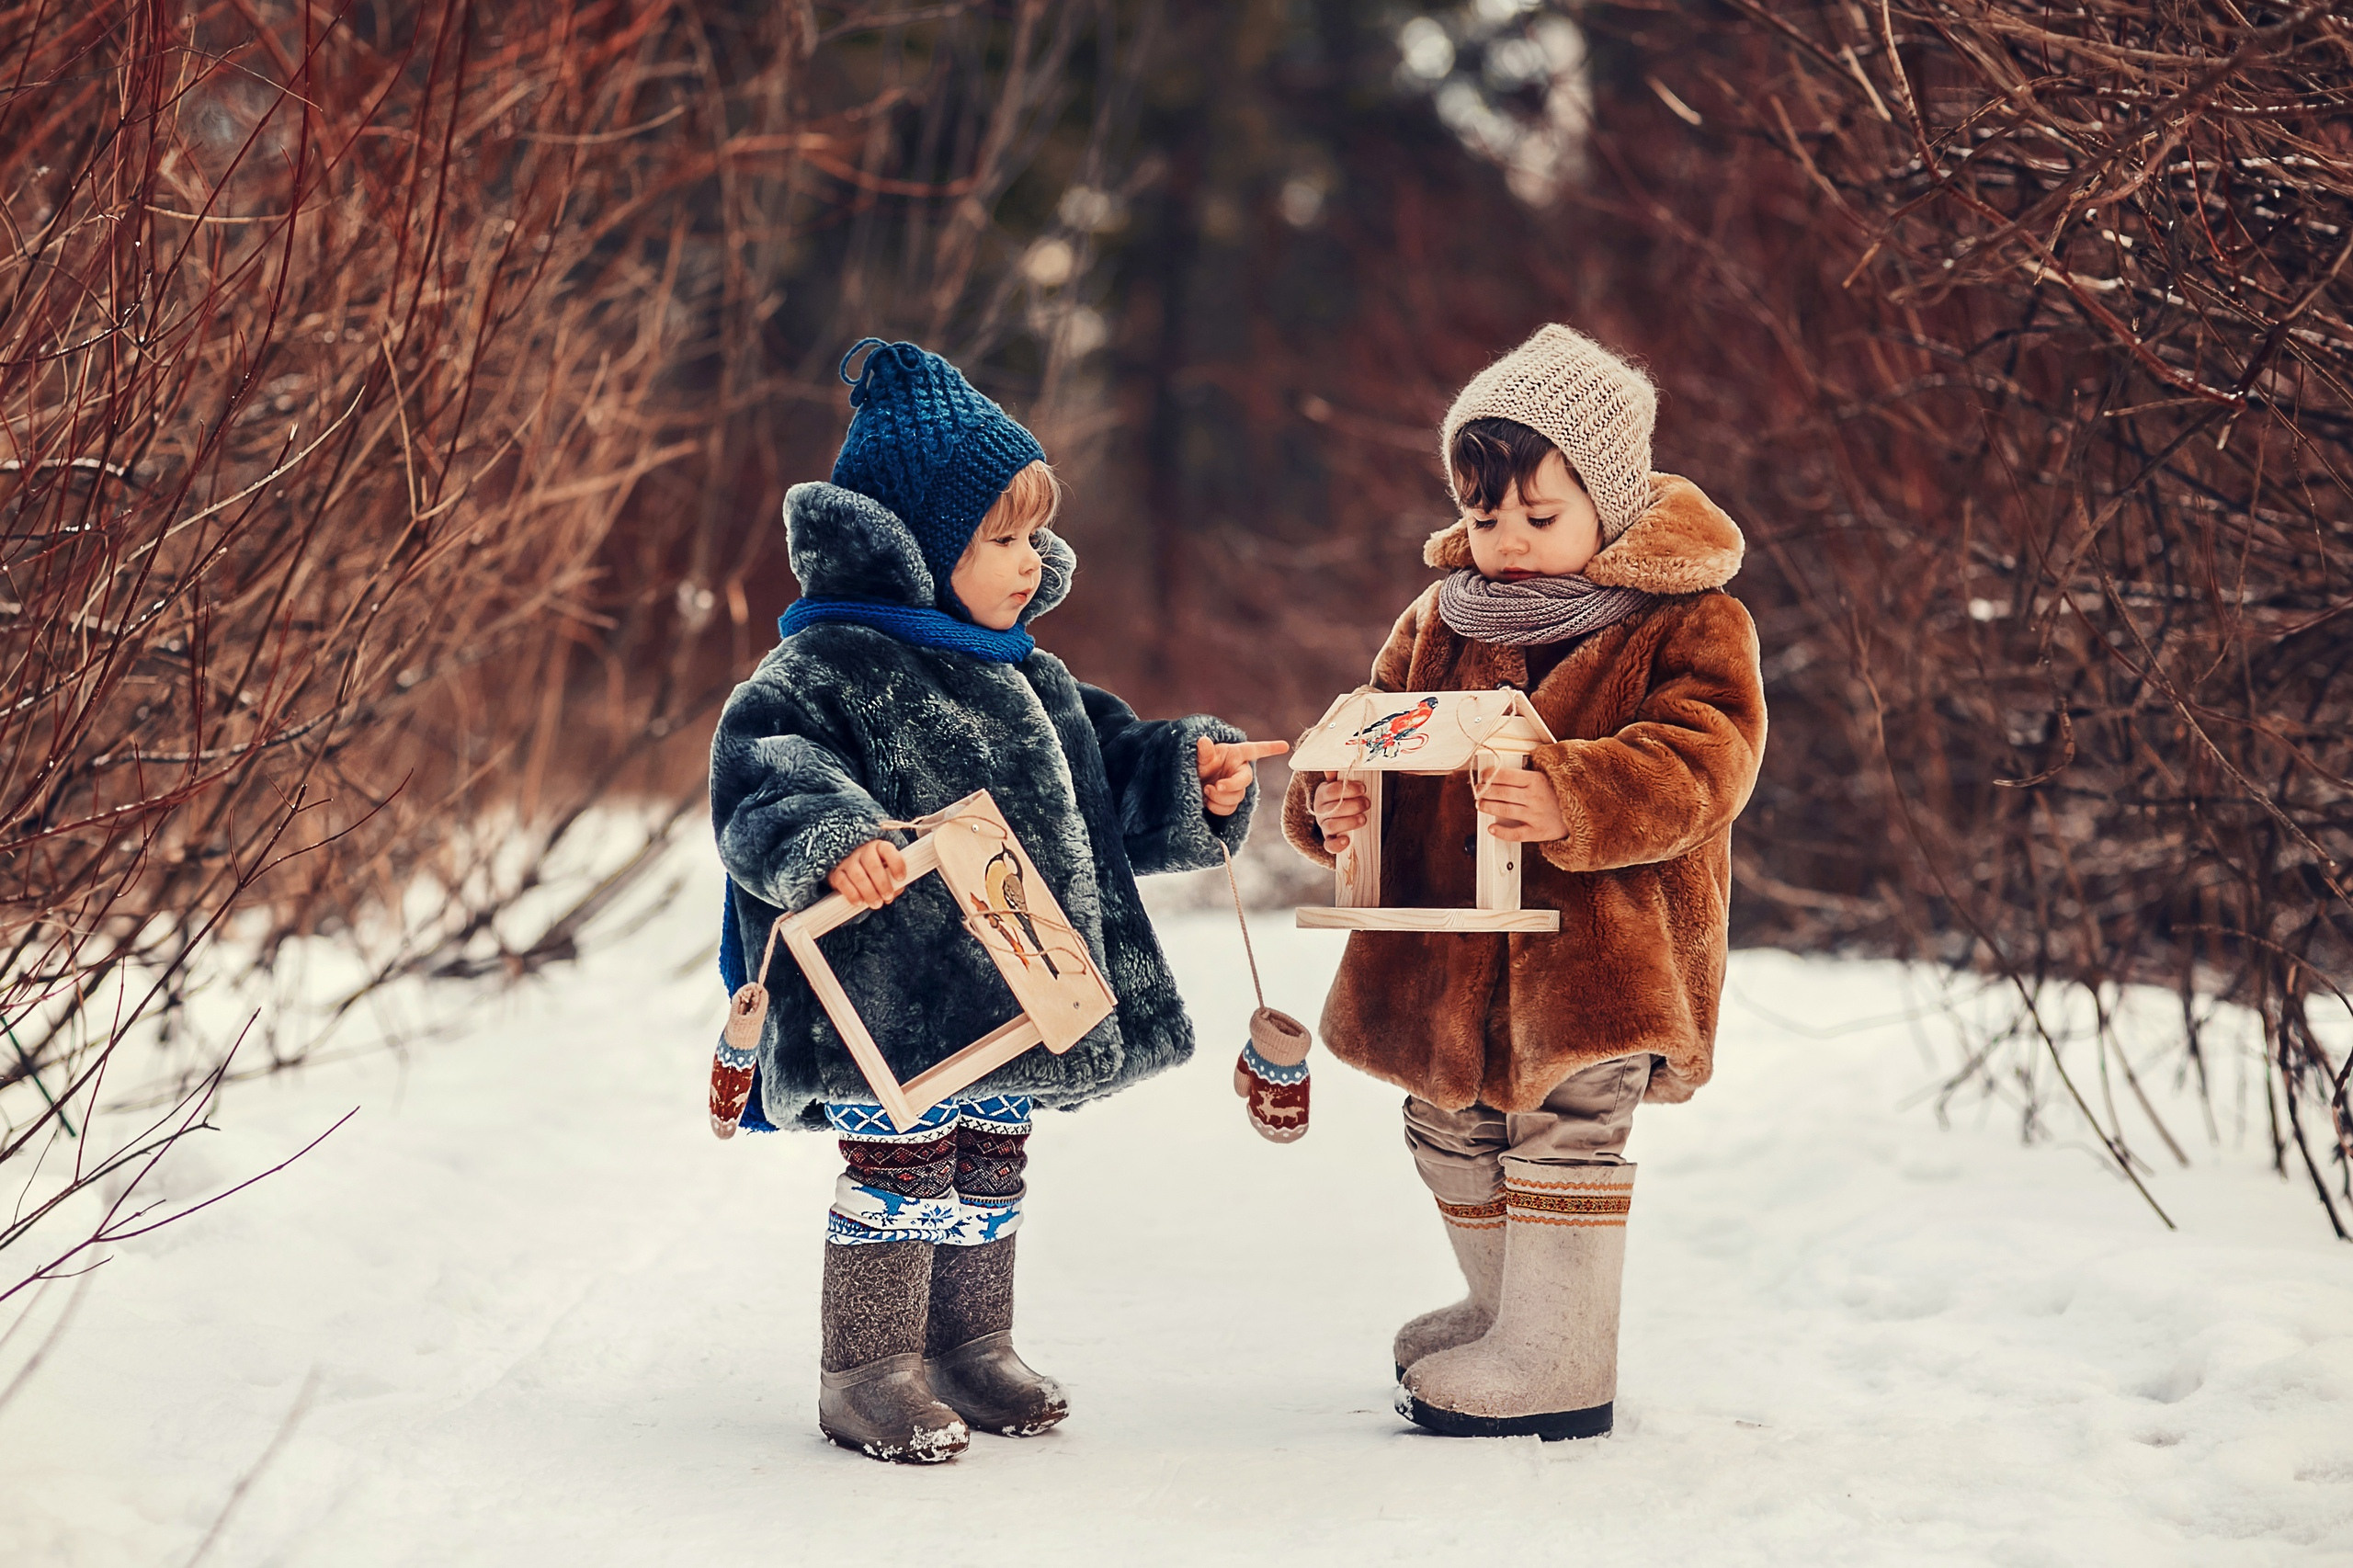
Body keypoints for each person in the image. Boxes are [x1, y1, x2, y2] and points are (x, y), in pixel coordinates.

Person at [710, 339, 1285, 1464]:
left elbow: (1103, 774)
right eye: (1001, 538)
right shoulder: (828, 666)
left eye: (1033, 534)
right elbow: (763, 769)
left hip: (1017, 987)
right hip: (894, 999)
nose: (1032, 561)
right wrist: (839, 842)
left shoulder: (1030, 673)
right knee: (902, 1167)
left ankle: (971, 1342)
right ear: (917, 550)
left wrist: (1183, 772)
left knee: (989, 1160)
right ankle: (867, 1368)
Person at [1284, 324, 1767, 1440]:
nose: (1504, 539)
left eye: (1538, 516)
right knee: (1449, 1123)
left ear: (1611, 499)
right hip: (1446, 947)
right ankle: (1505, 1311)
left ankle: (1560, 1356)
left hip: (1597, 949)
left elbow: (1708, 758)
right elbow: (1365, 735)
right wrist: (1333, 801)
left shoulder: (1687, 619)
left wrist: (1575, 792)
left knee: (1561, 1127)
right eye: (1482, 513)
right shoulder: (1436, 621)